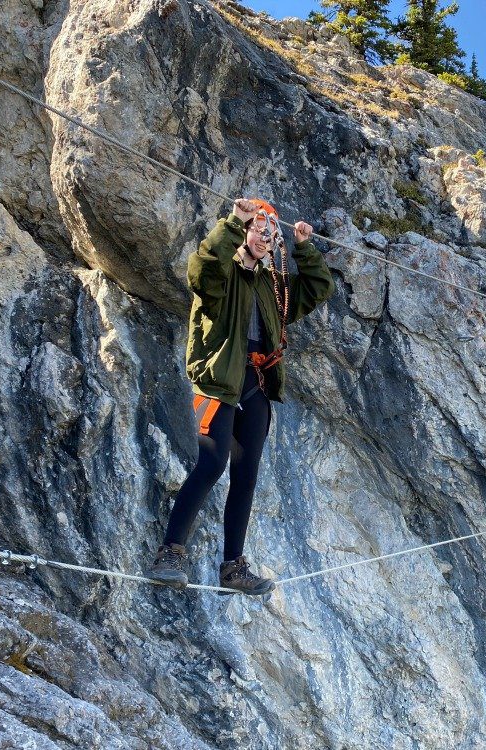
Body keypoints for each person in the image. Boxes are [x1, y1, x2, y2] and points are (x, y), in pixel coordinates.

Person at [147, 198, 335, 595]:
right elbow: (200, 270)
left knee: (246, 475)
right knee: (211, 464)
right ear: (245, 232)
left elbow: (317, 288)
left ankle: (233, 567)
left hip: (256, 382)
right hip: (217, 381)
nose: (266, 237)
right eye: (259, 229)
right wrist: (234, 222)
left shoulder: (269, 285)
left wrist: (304, 248)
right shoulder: (222, 274)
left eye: (271, 232)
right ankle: (169, 553)